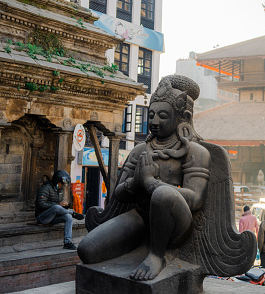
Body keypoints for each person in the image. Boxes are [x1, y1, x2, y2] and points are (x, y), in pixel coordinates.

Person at [78, 75, 211, 281]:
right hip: (141, 216)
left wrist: (151, 183)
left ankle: (157, 256)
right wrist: (136, 182)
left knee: (163, 194)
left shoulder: (195, 152)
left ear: (181, 118)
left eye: (163, 116)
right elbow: (119, 195)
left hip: (177, 224)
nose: (155, 121)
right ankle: (143, 246)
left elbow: (195, 199)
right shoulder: (140, 150)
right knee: (87, 250)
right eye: (151, 115)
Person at [35, 170, 85, 250]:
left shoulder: (59, 190)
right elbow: (41, 204)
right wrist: (58, 205)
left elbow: (59, 207)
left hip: (54, 216)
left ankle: (67, 242)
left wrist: (64, 205)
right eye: (61, 183)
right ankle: (73, 213)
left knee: (68, 217)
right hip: (42, 217)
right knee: (56, 207)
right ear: (56, 181)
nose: (62, 185)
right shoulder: (45, 188)